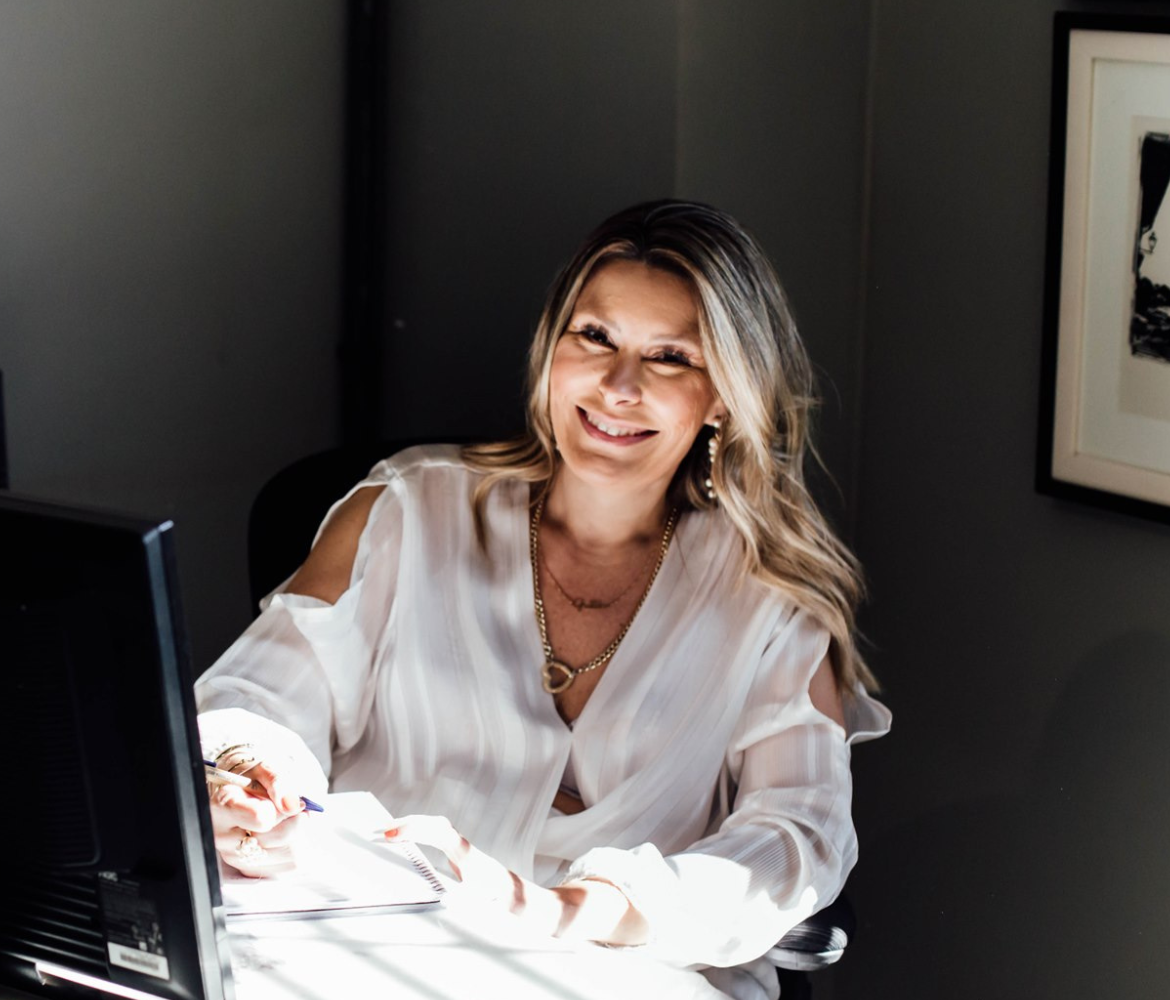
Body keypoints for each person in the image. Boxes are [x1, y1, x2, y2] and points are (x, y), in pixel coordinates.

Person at [195, 200, 891, 1000]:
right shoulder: (410, 510)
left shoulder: (770, 599)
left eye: (670, 357)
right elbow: (256, 696)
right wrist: (247, 769)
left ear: (724, 396)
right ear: (551, 350)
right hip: (367, 944)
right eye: (594, 337)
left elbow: (799, 839)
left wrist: (572, 908)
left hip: (617, 971)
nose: (618, 386)